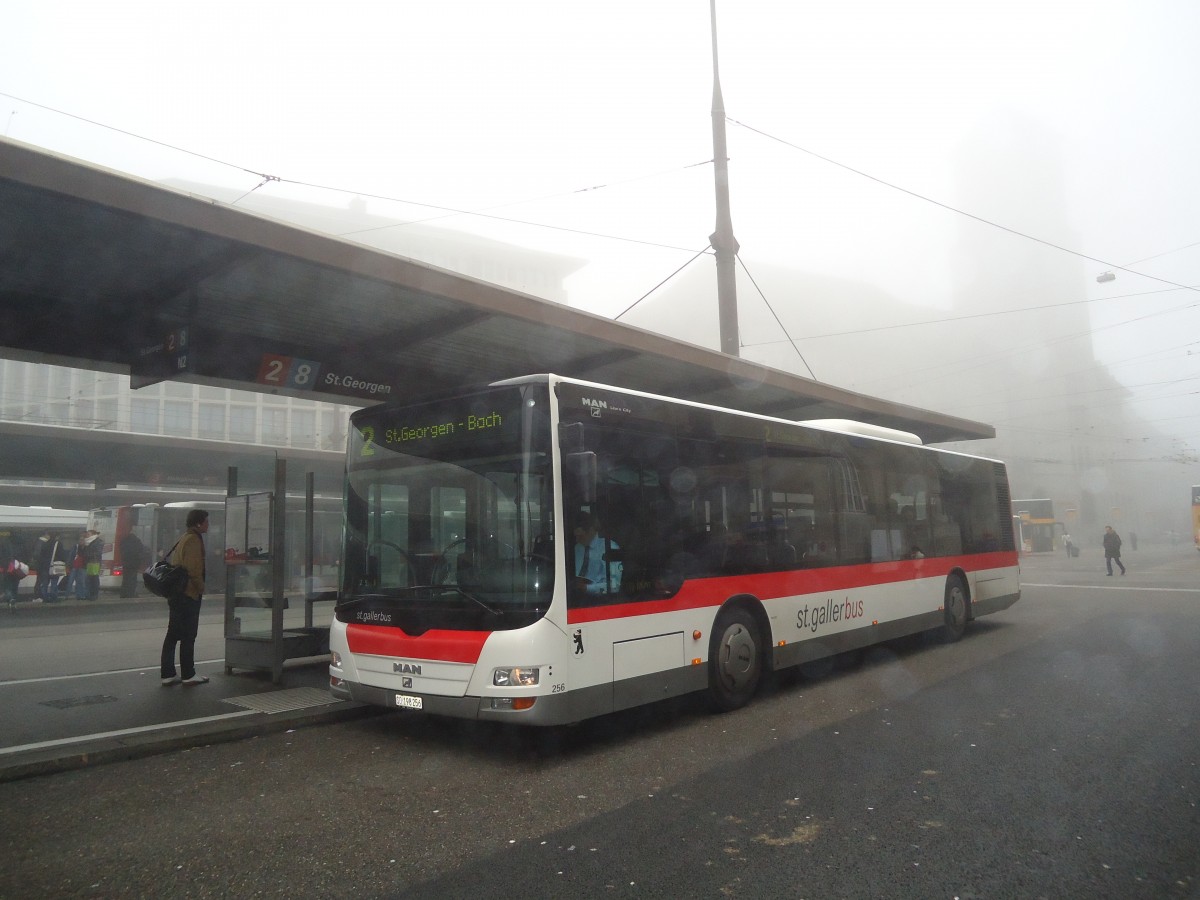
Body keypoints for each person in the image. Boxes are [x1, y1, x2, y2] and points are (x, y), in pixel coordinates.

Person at [160, 509, 210, 686]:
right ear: (198, 523)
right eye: (206, 521)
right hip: (188, 593)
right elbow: (194, 569)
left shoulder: (184, 538)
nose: (207, 525)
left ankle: (168, 674)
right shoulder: (193, 540)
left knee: (173, 634)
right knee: (189, 635)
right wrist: (201, 588)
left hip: (176, 594)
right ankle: (188, 674)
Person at [572, 513, 622, 596]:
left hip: (601, 600)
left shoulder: (609, 547)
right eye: (576, 536)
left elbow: (615, 585)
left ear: (591, 530)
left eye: (580, 536)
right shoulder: (577, 548)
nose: (577, 540)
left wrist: (587, 588)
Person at [118, 530, 146, 598]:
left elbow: (121, 550)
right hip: (134, 563)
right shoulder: (137, 541)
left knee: (125, 578)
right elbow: (141, 551)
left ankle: (123, 593)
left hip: (126, 563)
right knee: (132, 579)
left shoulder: (124, 541)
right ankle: (131, 593)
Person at [82, 529, 103, 600]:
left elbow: (97, 553)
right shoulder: (88, 542)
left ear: (93, 535)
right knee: (89, 579)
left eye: (88, 534)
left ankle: (94, 594)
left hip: (95, 562)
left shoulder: (97, 542)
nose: (87, 535)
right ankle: (90, 594)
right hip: (90, 562)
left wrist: (87, 554)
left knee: (94, 579)